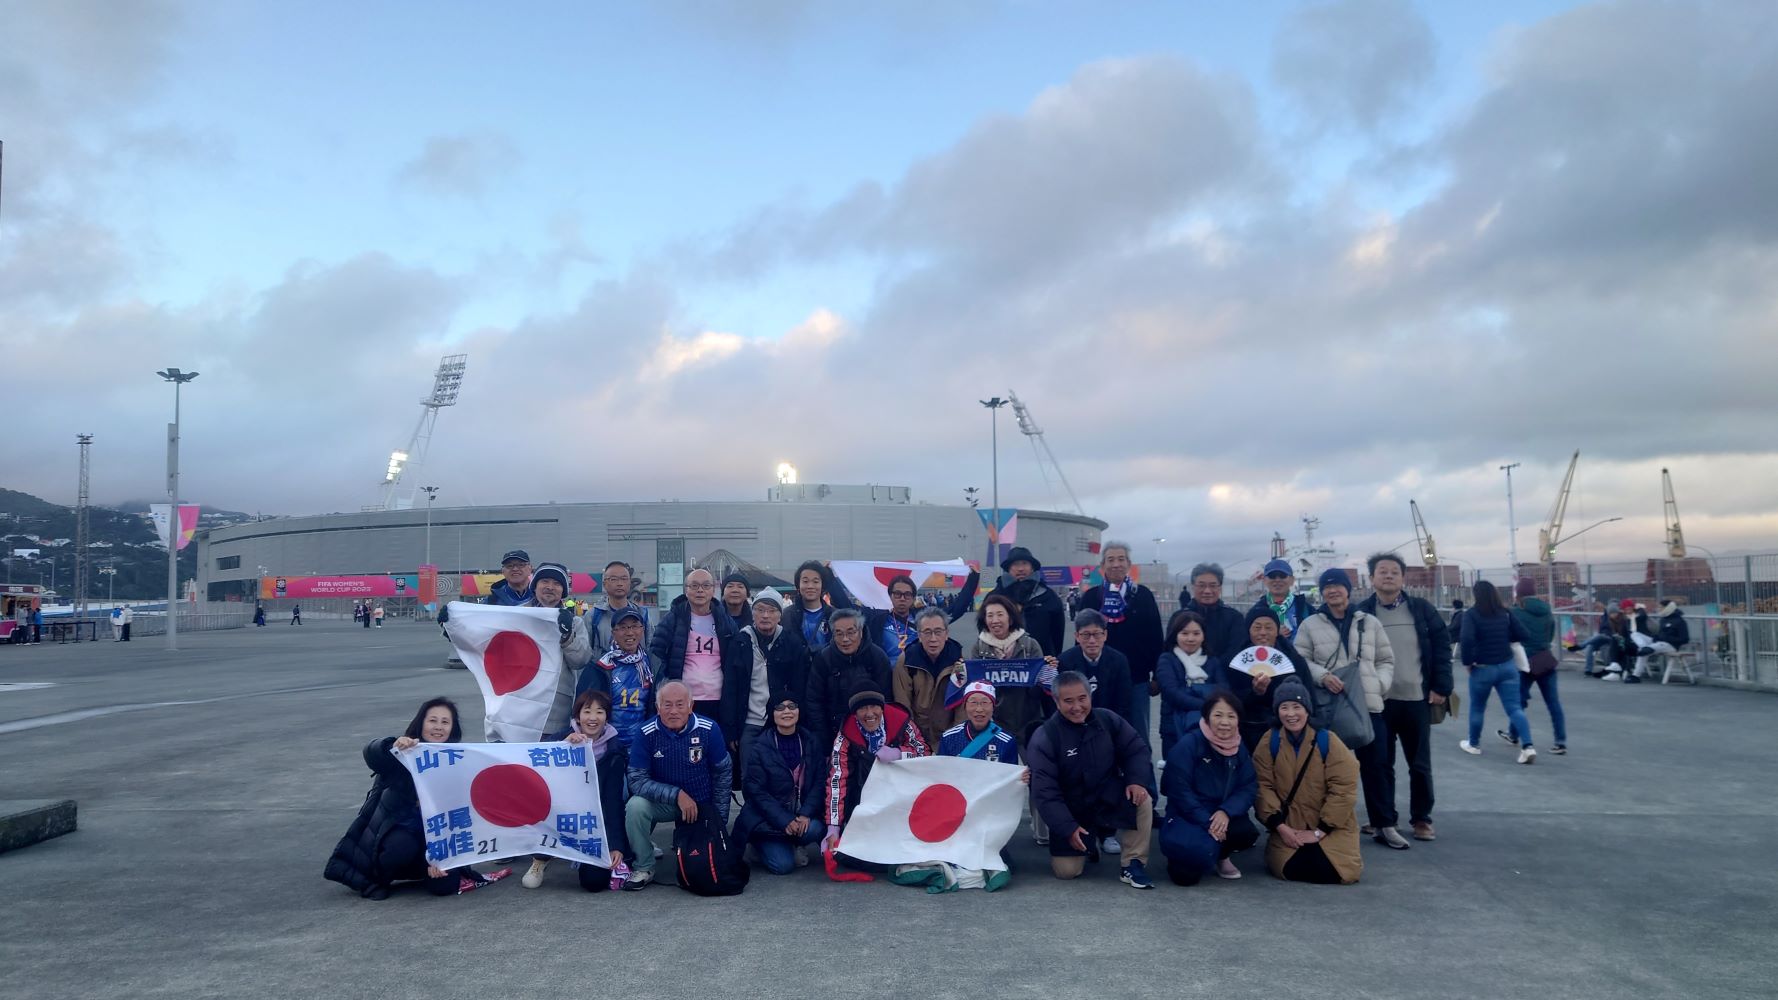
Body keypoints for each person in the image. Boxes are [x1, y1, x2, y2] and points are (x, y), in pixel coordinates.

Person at [324, 697, 501, 898]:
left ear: (452, 728)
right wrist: (391, 745)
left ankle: (423, 869)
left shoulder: (455, 760)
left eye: (445, 722)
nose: (438, 727)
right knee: (401, 847)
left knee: (445, 886)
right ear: (421, 723)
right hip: (398, 832)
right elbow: (372, 753)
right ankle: (378, 878)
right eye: (432, 720)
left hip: (435, 836)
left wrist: (441, 858)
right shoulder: (403, 753)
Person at [1295, 568, 1400, 847]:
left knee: (1377, 766)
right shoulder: (1310, 625)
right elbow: (1300, 659)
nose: (1333, 591)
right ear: (1322, 592)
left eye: (1338, 586)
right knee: (1324, 768)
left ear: (1348, 590)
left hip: (1368, 705)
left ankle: (1384, 823)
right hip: (1330, 705)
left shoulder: (1369, 622)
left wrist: (1379, 684)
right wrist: (1322, 676)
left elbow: (1386, 659)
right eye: (1327, 587)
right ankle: (1322, 823)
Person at [1356, 552, 1454, 844]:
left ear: (1403, 578)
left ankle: (1422, 818)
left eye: (1394, 572)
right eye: (1382, 571)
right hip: (1378, 702)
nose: (1388, 576)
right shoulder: (1361, 613)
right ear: (1371, 578)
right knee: (1379, 764)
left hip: (1416, 699)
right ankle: (1383, 818)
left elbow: (1442, 648)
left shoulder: (1421, 610)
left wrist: (1441, 687)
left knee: (1419, 764)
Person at [1026, 671, 1156, 888]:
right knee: (1067, 872)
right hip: (1072, 807)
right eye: (1068, 701)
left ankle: (1133, 863)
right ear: (1057, 702)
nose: (1077, 707)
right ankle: (1089, 845)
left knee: (1143, 799)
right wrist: (1067, 828)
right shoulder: (1045, 736)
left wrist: (1136, 780)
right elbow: (1044, 792)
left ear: (1090, 695)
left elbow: (1136, 749)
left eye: (1082, 699)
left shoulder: (1108, 719)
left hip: (1107, 795)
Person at [622, 681, 732, 890]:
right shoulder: (645, 732)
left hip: (701, 804)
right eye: (667, 705)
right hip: (666, 803)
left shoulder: (709, 729)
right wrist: (677, 795)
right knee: (635, 806)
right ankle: (644, 866)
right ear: (658, 708)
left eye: (680, 704)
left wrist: (719, 821)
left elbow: (723, 774)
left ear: (691, 706)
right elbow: (636, 780)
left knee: (703, 864)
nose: (673, 711)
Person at [1253, 679, 1362, 885]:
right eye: (1284, 707)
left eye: (1297, 706)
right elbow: (1262, 786)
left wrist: (1320, 831)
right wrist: (1280, 827)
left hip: (1331, 824)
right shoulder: (1270, 741)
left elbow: (1344, 788)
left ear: (1307, 710)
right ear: (1277, 712)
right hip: (1289, 824)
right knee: (1289, 868)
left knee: (1335, 871)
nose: (1291, 714)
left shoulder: (1328, 740)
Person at [525, 690, 632, 891]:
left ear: (607, 717)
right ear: (577, 716)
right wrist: (562, 746)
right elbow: (531, 760)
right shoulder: (562, 738)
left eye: (599, 712)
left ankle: (586, 856)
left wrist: (616, 845)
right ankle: (540, 858)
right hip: (561, 811)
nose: (593, 718)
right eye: (587, 711)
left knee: (594, 882)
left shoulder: (614, 750)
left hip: (593, 820)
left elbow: (613, 802)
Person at [822, 682, 930, 865]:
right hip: (865, 798)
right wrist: (833, 826)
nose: (869, 713)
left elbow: (925, 752)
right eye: (862, 708)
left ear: (882, 707)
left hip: (901, 796)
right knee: (850, 857)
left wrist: (899, 754)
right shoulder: (844, 736)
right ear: (854, 713)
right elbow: (837, 780)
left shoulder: (902, 722)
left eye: (874, 706)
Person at [1159, 691, 1259, 885]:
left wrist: (1226, 811)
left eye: (1231, 716)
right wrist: (1207, 821)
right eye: (1218, 715)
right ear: (1206, 717)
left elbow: (1248, 785)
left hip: (1221, 812)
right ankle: (1192, 852)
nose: (1225, 722)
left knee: (1244, 833)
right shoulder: (1189, 744)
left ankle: (1221, 855)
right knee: (1184, 877)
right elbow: (1178, 790)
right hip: (1189, 814)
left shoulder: (1239, 747)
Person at [648, 568, 747, 756]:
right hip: (684, 700)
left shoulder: (724, 621)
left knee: (713, 752)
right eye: (694, 586)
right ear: (686, 590)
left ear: (713, 590)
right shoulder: (673, 618)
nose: (700, 590)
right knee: (685, 753)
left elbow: (735, 661)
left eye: (705, 585)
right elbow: (656, 654)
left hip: (717, 699)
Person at [1076, 542, 1164, 746]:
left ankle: (1142, 768)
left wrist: (1157, 676)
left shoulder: (1142, 595)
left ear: (1129, 564)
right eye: (1111, 559)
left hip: (1137, 678)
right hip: (1097, 678)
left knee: (1138, 736)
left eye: (1121, 559)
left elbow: (1156, 637)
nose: (1116, 564)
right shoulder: (1092, 597)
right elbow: (1079, 639)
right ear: (1102, 566)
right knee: (1100, 734)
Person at [734, 692, 826, 875]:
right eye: (780, 707)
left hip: (799, 814)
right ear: (772, 713)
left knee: (816, 828)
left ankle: (792, 844)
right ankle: (758, 848)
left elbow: (819, 781)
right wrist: (784, 819)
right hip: (769, 819)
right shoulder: (760, 746)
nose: (787, 711)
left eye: (792, 706)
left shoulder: (811, 741)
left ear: (799, 711)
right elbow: (756, 791)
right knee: (783, 866)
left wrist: (806, 813)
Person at [734, 588, 812, 777]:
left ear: (780, 615)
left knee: (783, 777)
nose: (765, 615)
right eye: (760, 610)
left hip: (782, 722)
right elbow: (731, 687)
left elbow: (799, 685)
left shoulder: (791, 642)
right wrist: (732, 728)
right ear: (752, 613)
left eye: (771, 610)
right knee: (751, 777)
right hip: (750, 721)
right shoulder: (740, 641)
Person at [1457, 580, 1536, 763]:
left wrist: (1468, 662)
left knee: (1478, 707)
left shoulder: (1471, 614)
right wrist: (1504, 636)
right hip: (1507, 666)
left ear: (1476, 595)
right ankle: (1528, 747)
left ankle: (1474, 744)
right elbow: (1524, 634)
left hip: (1482, 668)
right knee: (1514, 708)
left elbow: (1466, 639)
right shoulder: (1505, 612)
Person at [968, 594, 1054, 750]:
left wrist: (1047, 669)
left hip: (1028, 722)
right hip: (993, 724)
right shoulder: (978, 649)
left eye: (1000, 614)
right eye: (990, 615)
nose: (995, 620)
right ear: (984, 620)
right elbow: (976, 689)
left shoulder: (1030, 646)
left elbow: (1040, 690)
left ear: (1011, 618)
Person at [1223, 607, 1309, 749]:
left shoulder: (1293, 659)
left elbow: (1306, 694)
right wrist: (1255, 692)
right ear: (1248, 631)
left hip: (1286, 724)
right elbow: (1230, 697)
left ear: (1277, 631)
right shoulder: (1235, 659)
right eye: (1257, 628)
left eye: (1269, 627)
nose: (1263, 632)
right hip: (1246, 726)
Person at [806, 608, 894, 746]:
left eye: (851, 632)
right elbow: (814, 701)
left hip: (871, 728)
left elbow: (887, 699)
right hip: (834, 732)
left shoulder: (877, 656)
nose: (845, 639)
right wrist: (824, 740)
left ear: (861, 632)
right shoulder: (824, 659)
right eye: (839, 633)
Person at [575, 606, 654, 753]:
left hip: (643, 745)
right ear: (613, 633)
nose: (629, 632)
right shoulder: (599, 667)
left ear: (642, 630)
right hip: (608, 747)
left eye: (634, 626)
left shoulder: (652, 665)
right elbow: (582, 708)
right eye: (623, 627)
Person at [1503, 577, 1566, 756]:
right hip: (1545, 660)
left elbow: (1511, 635)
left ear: (1519, 593)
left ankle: (1514, 735)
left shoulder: (1515, 612)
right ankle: (1560, 742)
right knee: (1553, 703)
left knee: (1518, 702)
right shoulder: (1547, 610)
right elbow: (1551, 634)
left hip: (1524, 662)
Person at [893, 606, 967, 744]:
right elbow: (903, 705)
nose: (933, 638)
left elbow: (961, 706)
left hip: (948, 732)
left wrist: (956, 739)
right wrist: (913, 739)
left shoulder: (958, 661)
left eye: (938, 632)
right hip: (917, 733)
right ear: (919, 636)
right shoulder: (906, 661)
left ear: (946, 634)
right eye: (927, 632)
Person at [1155, 610, 1226, 741]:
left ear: (1203, 636)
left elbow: (1224, 689)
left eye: (1196, 633)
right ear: (1175, 635)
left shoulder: (1212, 661)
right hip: (1174, 727)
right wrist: (1207, 704)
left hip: (1210, 727)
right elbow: (1172, 693)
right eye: (1185, 633)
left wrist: (1190, 691)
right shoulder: (1167, 659)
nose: (1190, 638)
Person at [1056, 609, 1133, 730]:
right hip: (1075, 724)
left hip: (1109, 723)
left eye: (1097, 634)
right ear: (1077, 636)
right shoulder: (1064, 661)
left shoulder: (1119, 661)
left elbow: (1123, 703)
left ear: (1105, 635)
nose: (1092, 641)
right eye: (1086, 635)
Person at [884, 568, 980, 658]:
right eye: (897, 594)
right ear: (890, 595)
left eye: (907, 594)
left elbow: (956, 609)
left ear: (913, 597)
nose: (902, 598)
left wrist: (973, 578)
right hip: (887, 670)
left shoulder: (924, 618)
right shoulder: (879, 620)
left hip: (918, 669)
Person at [990, 547, 1066, 657]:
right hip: (1002, 662)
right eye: (1015, 564)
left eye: (1025, 563)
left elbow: (1058, 634)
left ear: (1032, 568)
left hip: (1041, 660)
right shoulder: (995, 597)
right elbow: (984, 630)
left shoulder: (1048, 596)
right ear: (1008, 568)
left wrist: (1052, 657)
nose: (1020, 569)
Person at [938, 681, 1024, 766]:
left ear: (993, 707)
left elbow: (1011, 773)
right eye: (973, 702)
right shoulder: (949, 738)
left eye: (985, 703)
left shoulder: (1006, 741)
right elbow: (941, 771)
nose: (979, 709)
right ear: (965, 706)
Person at [1177, 563, 1248, 663]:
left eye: (1213, 586)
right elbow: (1171, 650)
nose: (1207, 591)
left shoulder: (1234, 618)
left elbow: (1236, 652)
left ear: (1220, 588)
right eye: (1201, 585)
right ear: (1193, 587)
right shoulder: (1178, 617)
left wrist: (1212, 669)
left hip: (1224, 672)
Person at [586, 561, 650, 653]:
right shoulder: (593, 616)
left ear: (630, 583)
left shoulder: (642, 614)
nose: (619, 583)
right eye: (613, 579)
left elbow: (651, 648)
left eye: (624, 579)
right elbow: (585, 653)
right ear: (604, 584)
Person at [782, 560, 839, 652]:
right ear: (798, 585)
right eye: (805, 581)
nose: (810, 586)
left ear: (822, 585)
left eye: (815, 582)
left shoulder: (835, 615)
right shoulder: (787, 614)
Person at [1251, 559, 1315, 639]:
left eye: (1282, 576)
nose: (1277, 580)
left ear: (1292, 580)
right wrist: (1273, 632)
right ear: (1264, 580)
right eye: (1272, 576)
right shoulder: (1256, 611)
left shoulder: (1307, 609)